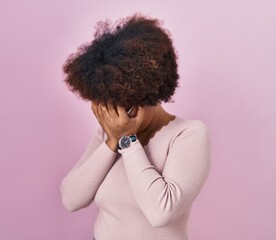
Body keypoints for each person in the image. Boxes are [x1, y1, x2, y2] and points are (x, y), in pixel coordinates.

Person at [59, 13, 211, 240]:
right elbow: (71, 199)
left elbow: (161, 212)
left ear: (146, 92)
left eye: (121, 100)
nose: (114, 112)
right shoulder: (108, 133)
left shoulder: (188, 134)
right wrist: (112, 141)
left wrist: (128, 141)